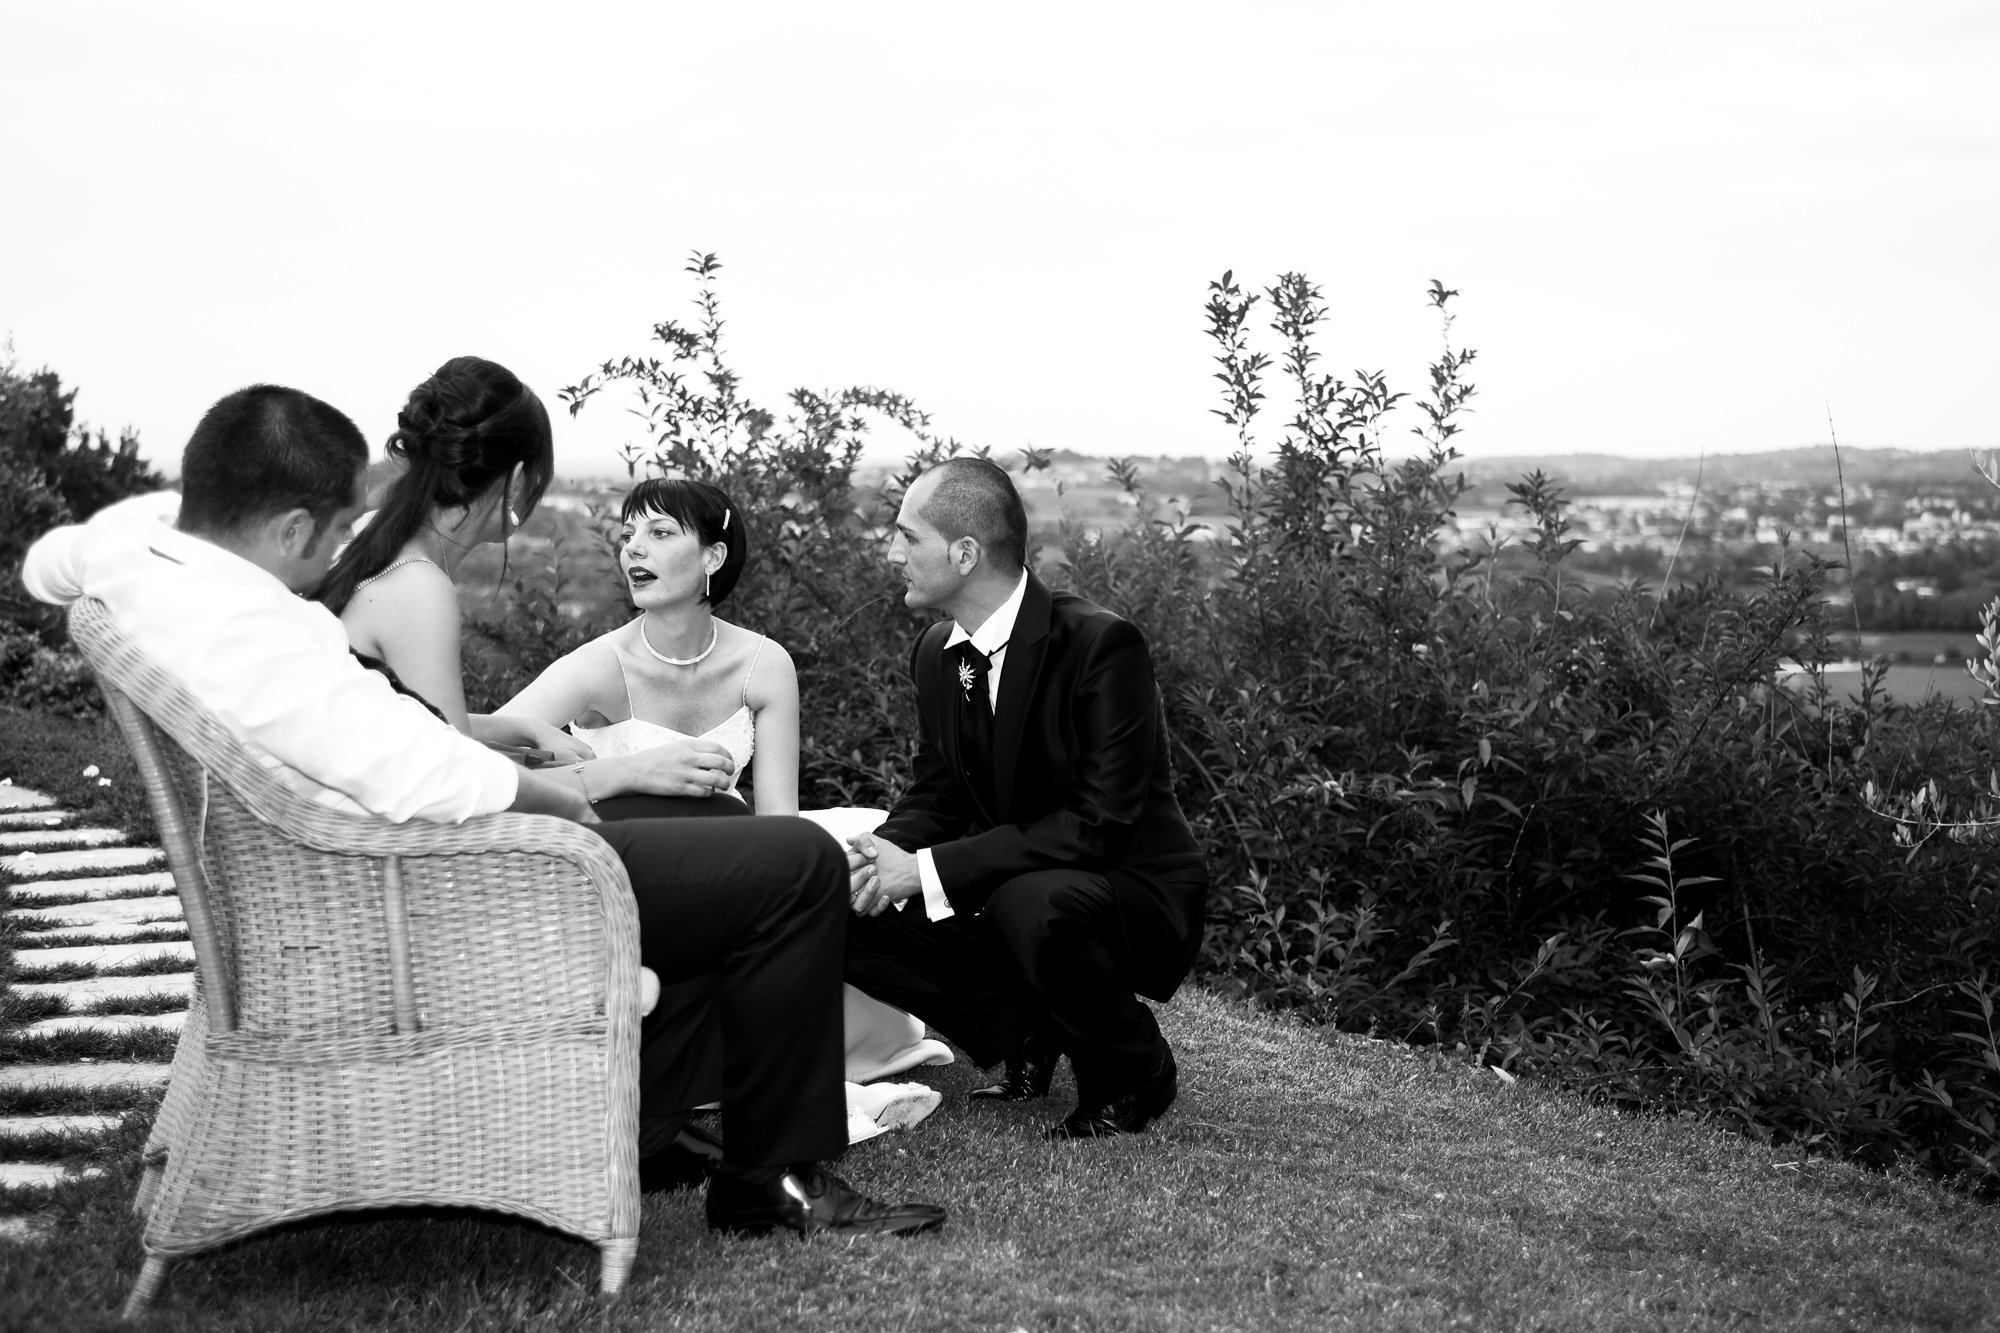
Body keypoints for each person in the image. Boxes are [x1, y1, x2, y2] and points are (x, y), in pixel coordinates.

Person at [22, 383, 945, 1237]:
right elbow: (432, 775)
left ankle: (645, 1126)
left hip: (371, 879)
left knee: (722, 848)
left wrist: (524, 744)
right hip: (439, 896)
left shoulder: (175, 577)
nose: (346, 541)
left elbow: (51, 560)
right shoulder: (276, 628)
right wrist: (575, 794)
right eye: (335, 525)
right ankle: (769, 1177)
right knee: (796, 863)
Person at [497, 476, 953, 1129]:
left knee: (837, 855)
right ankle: (811, 1088)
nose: (633, 549)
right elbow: (487, 768)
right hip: (617, 872)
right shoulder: (598, 666)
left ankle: (803, 1058)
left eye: (659, 532)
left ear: (713, 556)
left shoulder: (763, 664)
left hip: (723, 857)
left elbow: (778, 824)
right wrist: (624, 771)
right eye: (628, 535)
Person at [844, 457, 1210, 1139]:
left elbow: (1100, 823)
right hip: (1016, 878)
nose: (892, 553)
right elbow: (938, 791)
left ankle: (1135, 1069)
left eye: (908, 536)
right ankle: (1028, 1030)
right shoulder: (936, 651)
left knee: (1029, 903)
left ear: (964, 554)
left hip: (1130, 887)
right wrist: (879, 857)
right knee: (841, 905)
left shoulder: (1100, 644)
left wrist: (925, 870)